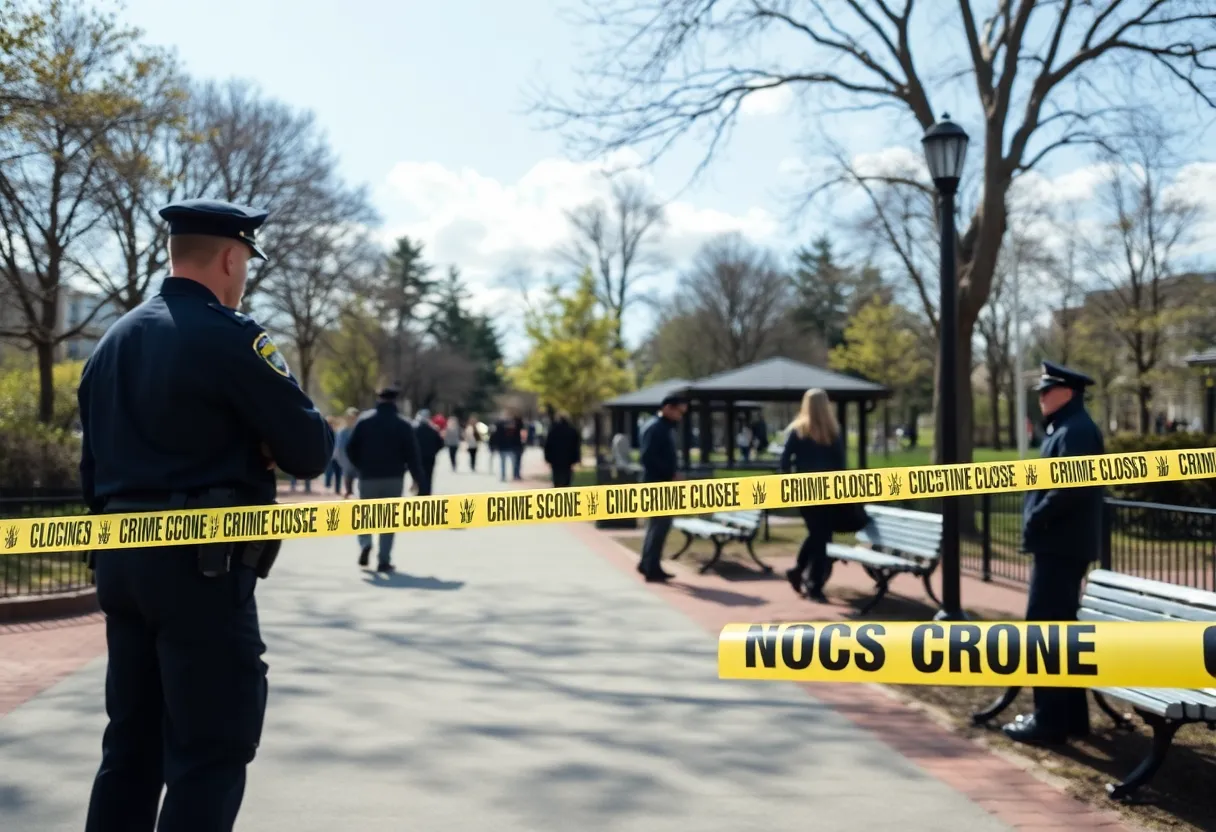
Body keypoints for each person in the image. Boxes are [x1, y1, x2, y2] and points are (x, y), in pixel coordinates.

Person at [78, 198, 334, 832]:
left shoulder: (112, 341)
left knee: (131, 748)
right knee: (211, 749)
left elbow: (91, 468)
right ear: (230, 255)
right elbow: (309, 451)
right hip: (200, 568)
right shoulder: (231, 335)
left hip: (119, 557)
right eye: (246, 258)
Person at [1003, 360, 1105, 746]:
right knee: (1060, 633)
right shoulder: (1067, 429)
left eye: (1047, 390)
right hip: (1060, 547)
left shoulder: (1075, 430)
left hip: (1060, 548)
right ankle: (1071, 718)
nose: (1041, 397)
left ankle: (1049, 720)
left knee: (1044, 633)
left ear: (1067, 392)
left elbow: (1069, 488)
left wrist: (1037, 520)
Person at [345, 387, 428, 571]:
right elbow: (413, 454)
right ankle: (384, 560)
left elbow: (351, 448)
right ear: (394, 401)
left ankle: (365, 542)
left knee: (365, 515)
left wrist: (361, 466)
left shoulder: (364, 421)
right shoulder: (403, 424)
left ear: (379, 399)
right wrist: (417, 479)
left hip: (368, 477)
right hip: (394, 477)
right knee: (388, 520)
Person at [779, 388, 846, 603]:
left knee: (818, 535)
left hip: (804, 489)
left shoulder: (798, 430)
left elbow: (784, 460)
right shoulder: (833, 430)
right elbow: (840, 464)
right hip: (828, 490)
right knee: (821, 537)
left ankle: (800, 572)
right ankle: (813, 584)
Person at [637, 394, 688, 582]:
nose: (680, 416)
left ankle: (648, 563)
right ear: (668, 408)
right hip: (658, 483)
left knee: (656, 526)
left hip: (659, 481)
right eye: (678, 412)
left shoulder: (661, 427)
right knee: (659, 526)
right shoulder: (657, 428)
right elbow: (648, 457)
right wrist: (670, 473)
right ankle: (652, 567)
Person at [543, 411, 581, 487]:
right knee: (567, 479)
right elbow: (576, 446)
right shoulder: (572, 431)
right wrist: (576, 459)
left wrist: (548, 458)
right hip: (568, 459)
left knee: (556, 479)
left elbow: (548, 446)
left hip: (555, 459)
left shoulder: (553, 431)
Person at [413, 408, 445, 496]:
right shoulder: (434, 430)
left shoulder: (414, 429)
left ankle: (420, 492)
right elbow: (441, 444)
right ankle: (427, 493)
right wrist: (434, 451)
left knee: (418, 475)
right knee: (429, 476)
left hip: (418, 457)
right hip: (430, 457)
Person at [335, 407, 359, 496]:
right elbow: (339, 448)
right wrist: (340, 461)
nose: (351, 420)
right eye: (349, 418)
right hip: (346, 463)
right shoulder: (342, 432)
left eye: (353, 418)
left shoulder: (361, 430)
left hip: (359, 465)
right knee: (349, 488)